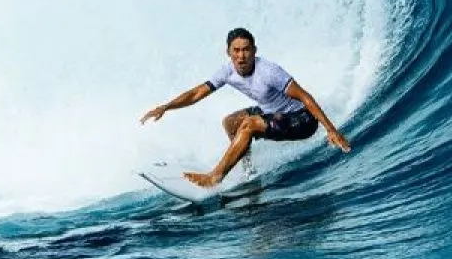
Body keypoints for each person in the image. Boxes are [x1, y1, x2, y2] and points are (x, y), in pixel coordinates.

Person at [140, 27, 351, 187]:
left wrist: (331, 130)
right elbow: (197, 93)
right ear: (228, 52)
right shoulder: (228, 71)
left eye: (246, 50)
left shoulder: (269, 71)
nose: (241, 56)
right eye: (236, 51)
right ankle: (248, 171)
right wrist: (166, 107)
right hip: (272, 112)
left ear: (254, 51)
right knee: (230, 122)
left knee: (248, 124)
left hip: (302, 119)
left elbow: (305, 97)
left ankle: (215, 177)